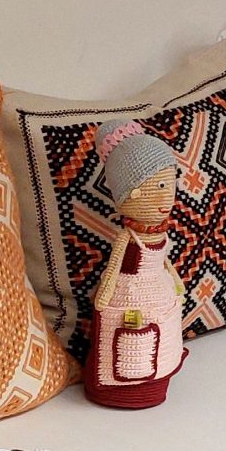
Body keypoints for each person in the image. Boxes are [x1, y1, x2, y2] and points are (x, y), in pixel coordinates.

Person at [82, 125, 188, 410]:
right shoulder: (128, 239)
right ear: (132, 193)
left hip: (160, 291)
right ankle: (122, 393)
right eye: (159, 187)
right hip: (131, 296)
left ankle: (157, 383)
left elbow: (163, 258)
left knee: (162, 346)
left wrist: (175, 282)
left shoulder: (159, 234)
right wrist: (104, 296)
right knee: (130, 348)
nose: (167, 198)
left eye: (170, 185)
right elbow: (114, 269)